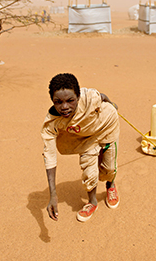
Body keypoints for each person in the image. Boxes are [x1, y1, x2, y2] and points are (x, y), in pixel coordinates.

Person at [41, 73, 120, 222]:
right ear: (52, 100)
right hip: (85, 138)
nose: (64, 107)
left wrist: (113, 105)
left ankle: (111, 184)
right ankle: (92, 202)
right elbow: (49, 157)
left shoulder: (89, 97)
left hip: (107, 127)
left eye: (70, 100)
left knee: (109, 168)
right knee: (89, 172)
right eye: (58, 102)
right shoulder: (51, 124)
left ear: (78, 96)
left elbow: (102, 96)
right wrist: (53, 195)